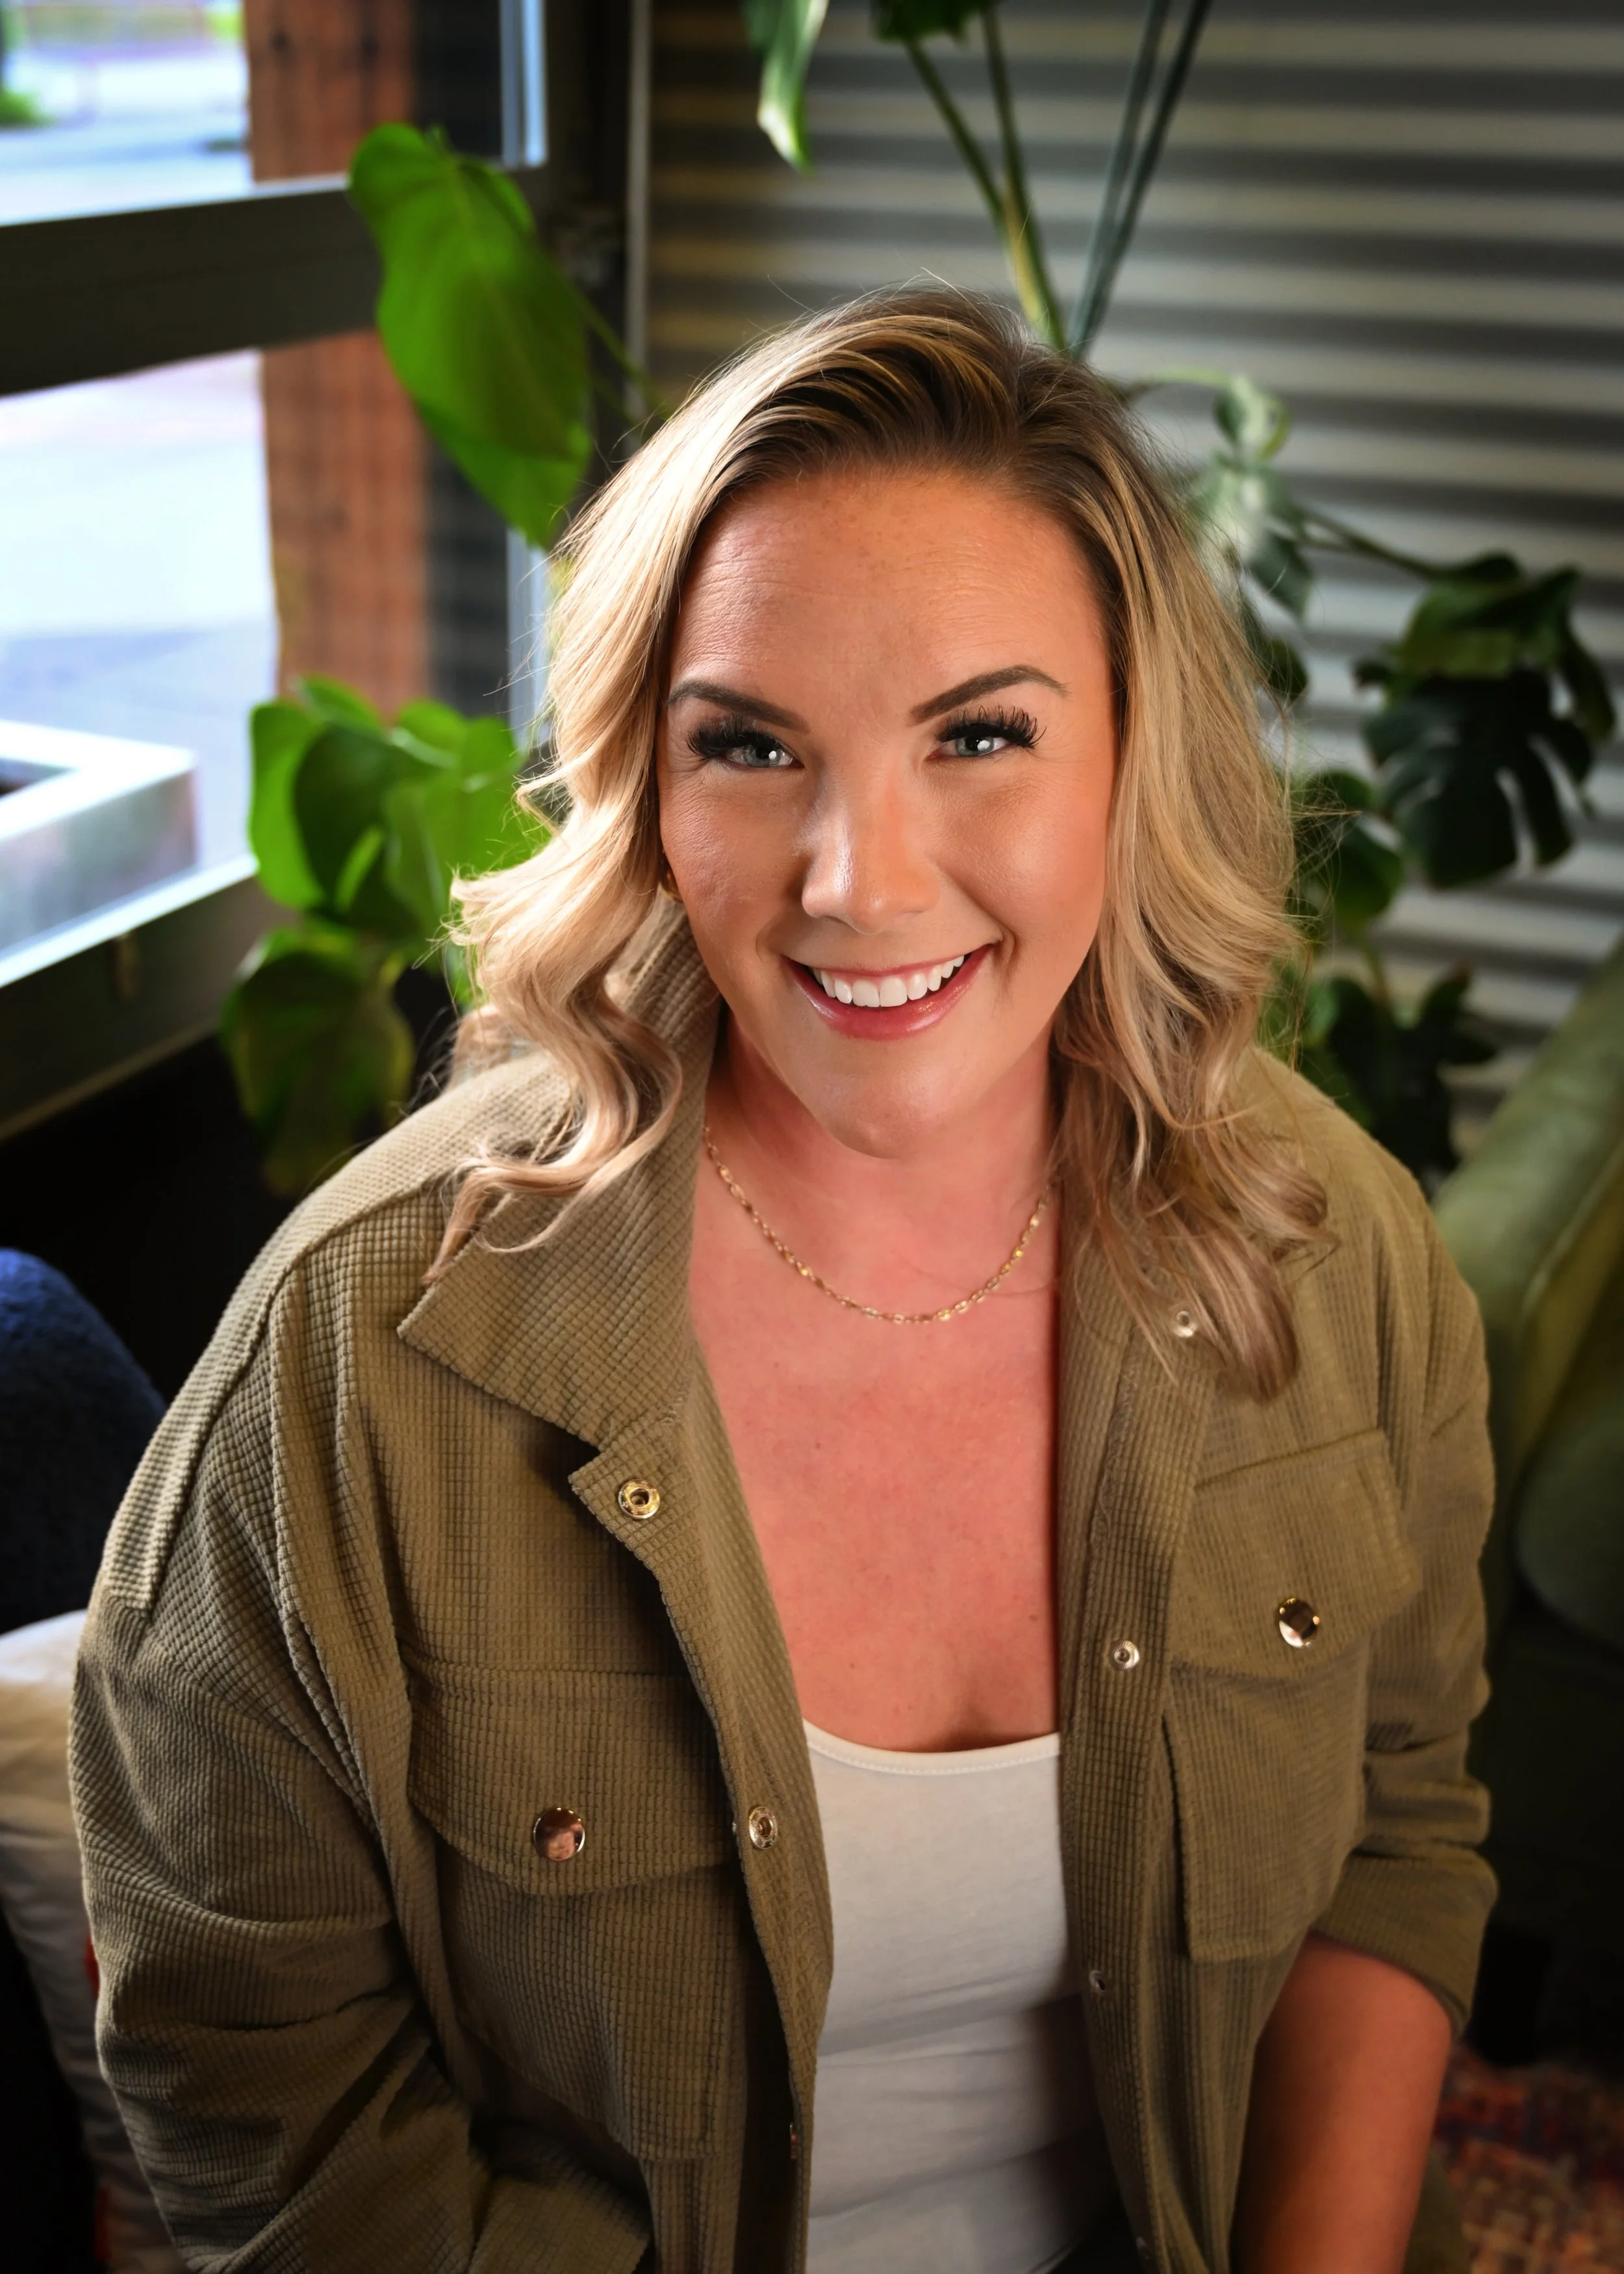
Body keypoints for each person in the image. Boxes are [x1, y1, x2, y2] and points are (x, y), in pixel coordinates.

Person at [71, 291, 1494, 2274]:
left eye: (978, 734)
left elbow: (1397, 1834)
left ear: (1130, 756)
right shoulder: (348, 1371)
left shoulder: (1332, 1252)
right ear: (642, 783)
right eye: (749, 747)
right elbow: (261, 2111)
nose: (860, 877)